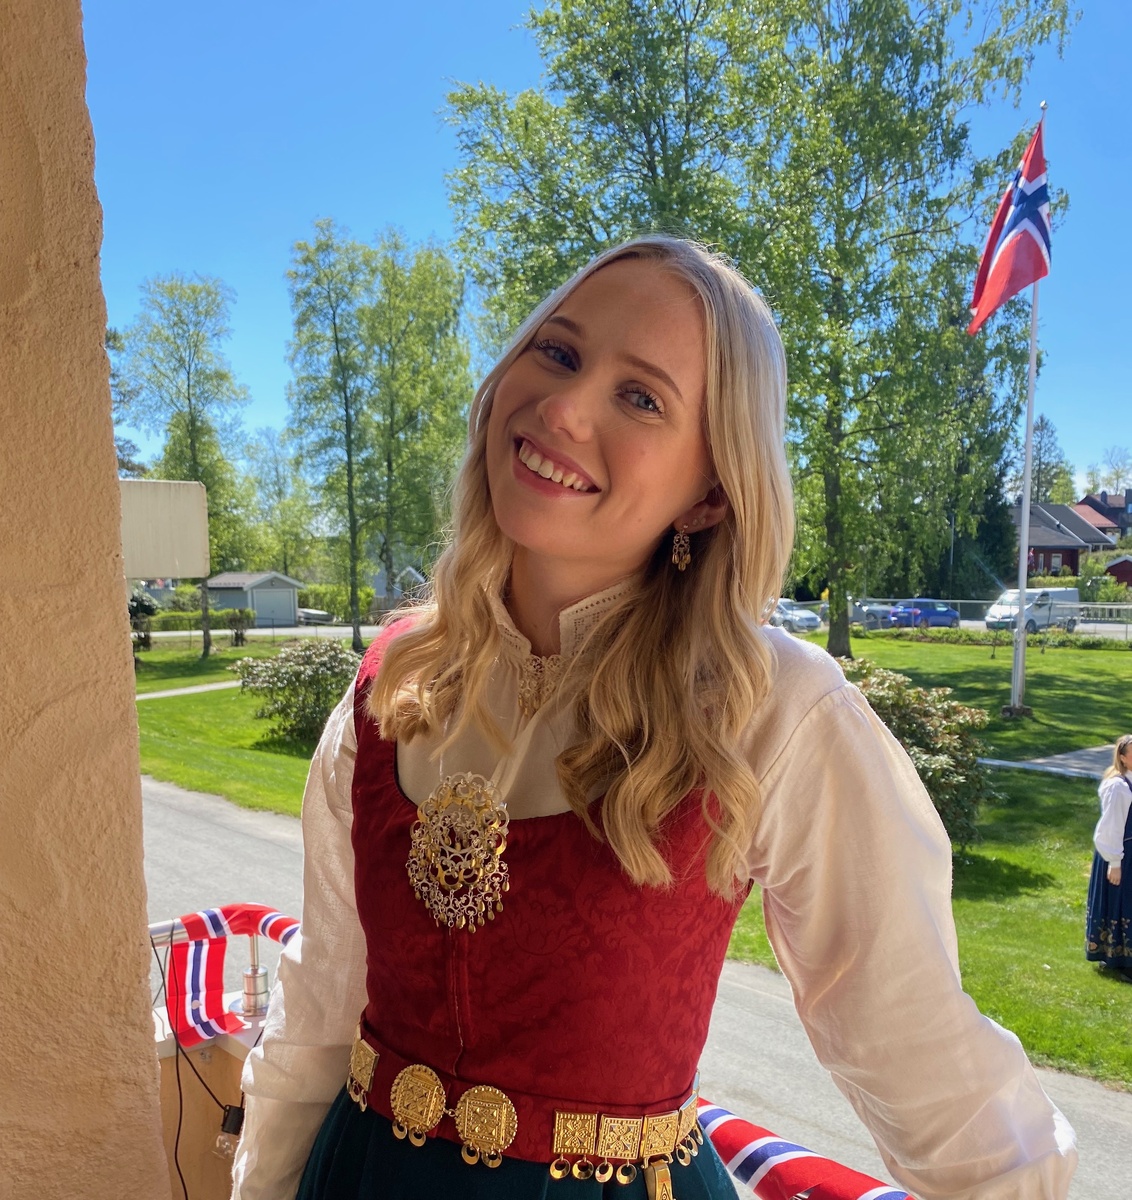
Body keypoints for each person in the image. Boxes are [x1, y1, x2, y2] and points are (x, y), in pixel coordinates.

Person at [231, 236, 1076, 1200]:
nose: (563, 408)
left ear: (711, 494)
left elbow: (929, 1068)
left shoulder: (772, 707)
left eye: (641, 398)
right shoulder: (394, 677)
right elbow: (323, 1002)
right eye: (557, 351)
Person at [1086, 734, 1132, 980]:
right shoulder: (1119, 787)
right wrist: (1115, 863)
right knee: (1121, 903)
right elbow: (1111, 828)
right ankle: (1120, 961)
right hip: (1120, 854)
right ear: (1122, 758)